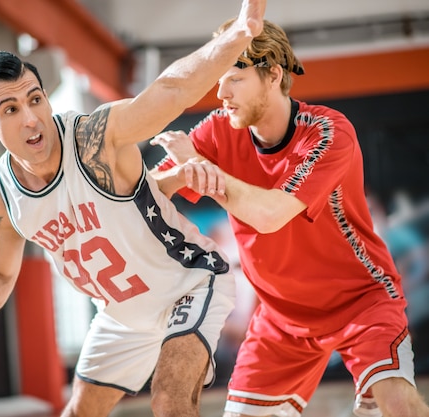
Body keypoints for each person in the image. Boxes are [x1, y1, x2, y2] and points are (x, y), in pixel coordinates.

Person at [0, 1, 266, 416]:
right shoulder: (2, 197)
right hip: (122, 315)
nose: (31, 119)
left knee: (169, 400)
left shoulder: (93, 141)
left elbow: (170, 90)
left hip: (188, 284)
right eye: (11, 109)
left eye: (35, 100)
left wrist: (240, 33)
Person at [150, 18, 429, 417]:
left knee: (397, 406)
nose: (221, 93)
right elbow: (150, 192)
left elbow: (269, 215)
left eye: (234, 79)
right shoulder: (217, 130)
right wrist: (179, 173)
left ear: (273, 75)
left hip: (360, 302)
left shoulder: (330, 131)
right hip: (280, 318)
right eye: (218, 80)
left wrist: (199, 167)